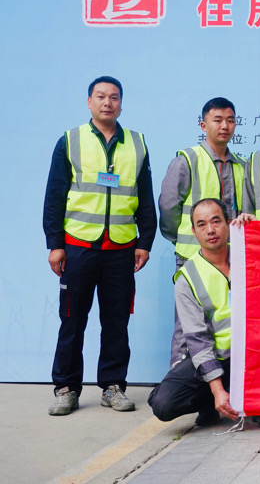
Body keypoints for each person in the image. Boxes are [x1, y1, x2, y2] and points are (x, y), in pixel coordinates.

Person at [43, 76, 157, 416]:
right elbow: (54, 196)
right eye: (101, 96)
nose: (108, 103)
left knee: (116, 322)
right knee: (72, 320)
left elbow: (145, 197)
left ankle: (113, 386)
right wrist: (55, 244)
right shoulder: (71, 140)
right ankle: (66, 388)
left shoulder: (136, 143)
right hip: (78, 246)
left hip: (121, 249)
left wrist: (145, 241)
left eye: (114, 97)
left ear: (122, 103)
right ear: (89, 102)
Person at [148, 199, 260, 429]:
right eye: (202, 224)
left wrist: (258, 232)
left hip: (257, 355)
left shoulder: (250, 255)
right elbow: (198, 340)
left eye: (216, 221)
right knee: (163, 404)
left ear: (228, 223)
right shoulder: (187, 278)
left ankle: (256, 403)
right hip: (218, 358)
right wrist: (216, 389)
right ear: (194, 231)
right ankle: (214, 400)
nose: (210, 230)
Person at [158, 97, 246, 367]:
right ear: (203, 124)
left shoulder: (241, 165)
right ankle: (179, 379)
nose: (224, 126)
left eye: (230, 120)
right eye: (217, 120)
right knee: (187, 326)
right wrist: (183, 237)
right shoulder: (187, 160)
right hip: (191, 256)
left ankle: (220, 379)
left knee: (227, 319)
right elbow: (168, 206)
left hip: (227, 259)